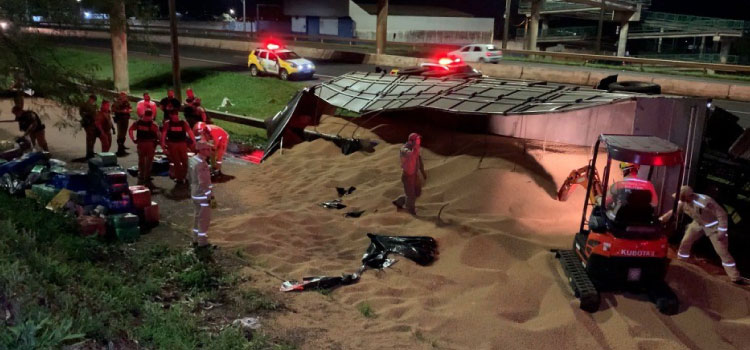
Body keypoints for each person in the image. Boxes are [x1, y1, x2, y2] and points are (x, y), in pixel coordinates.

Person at [659, 186, 749, 285]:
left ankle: (735, 277)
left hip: (714, 226)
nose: (681, 200)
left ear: (690, 196)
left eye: (683, 198)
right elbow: (674, 211)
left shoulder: (705, 201)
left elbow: (722, 214)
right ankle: (681, 260)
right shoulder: (683, 202)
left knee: (722, 251)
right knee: (686, 241)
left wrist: (722, 230)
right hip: (698, 223)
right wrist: (662, 219)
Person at [392, 133, 427, 215]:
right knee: (411, 195)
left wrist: (422, 171)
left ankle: (399, 201)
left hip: (415, 175)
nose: (419, 142)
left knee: (417, 193)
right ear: (412, 141)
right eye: (417, 140)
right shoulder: (404, 149)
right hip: (408, 176)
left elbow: (419, 159)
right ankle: (410, 212)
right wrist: (415, 148)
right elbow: (410, 155)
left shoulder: (415, 149)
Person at [189, 140, 214, 247]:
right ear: (202, 150)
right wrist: (210, 196)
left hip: (194, 192)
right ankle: (202, 242)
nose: (210, 151)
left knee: (197, 216)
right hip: (202, 195)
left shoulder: (192, 160)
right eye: (208, 149)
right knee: (204, 219)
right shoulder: (202, 164)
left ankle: (195, 238)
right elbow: (204, 182)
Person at [128, 109, 161, 187]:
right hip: (150, 143)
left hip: (140, 143)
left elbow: (130, 130)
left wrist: (133, 139)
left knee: (141, 159)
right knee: (149, 160)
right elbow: (158, 134)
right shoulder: (153, 124)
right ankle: (147, 176)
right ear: (151, 116)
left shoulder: (138, 123)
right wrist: (159, 141)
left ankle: (141, 174)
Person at [161, 112, 195, 184]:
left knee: (180, 161)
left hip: (177, 144)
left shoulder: (172, 123)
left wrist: (163, 143)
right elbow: (190, 132)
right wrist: (194, 141)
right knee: (180, 161)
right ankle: (182, 177)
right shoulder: (180, 123)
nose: (176, 117)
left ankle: (181, 177)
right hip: (177, 144)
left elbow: (164, 134)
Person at [112, 91, 132, 156]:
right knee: (120, 134)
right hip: (120, 119)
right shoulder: (117, 102)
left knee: (124, 133)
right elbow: (113, 109)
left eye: (125, 96)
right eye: (122, 95)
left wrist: (128, 110)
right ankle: (120, 149)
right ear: (120, 96)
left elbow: (130, 108)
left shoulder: (126, 102)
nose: (124, 97)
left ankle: (122, 146)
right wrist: (122, 111)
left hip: (126, 119)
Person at [79, 94, 98, 159]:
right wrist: (87, 115)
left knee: (93, 138)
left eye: (93, 100)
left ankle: (91, 151)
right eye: (92, 99)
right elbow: (81, 113)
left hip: (93, 123)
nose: (92, 101)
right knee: (89, 138)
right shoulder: (84, 105)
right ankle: (89, 152)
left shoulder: (94, 106)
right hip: (87, 122)